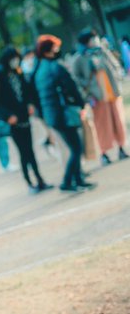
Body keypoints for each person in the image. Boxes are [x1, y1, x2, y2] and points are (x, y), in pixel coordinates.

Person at [34, 34, 97, 193]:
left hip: (52, 116)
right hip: (64, 114)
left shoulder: (40, 70)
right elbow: (71, 87)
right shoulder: (56, 67)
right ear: (49, 50)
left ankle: (78, 180)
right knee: (77, 148)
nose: (57, 49)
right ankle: (67, 182)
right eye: (54, 47)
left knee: (74, 148)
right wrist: (82, 104)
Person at [0, 46, 53, 194]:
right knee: (24, 152)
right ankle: (29, 182)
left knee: (30, 150)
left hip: (24, 117)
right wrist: (7, 116)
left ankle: (40, 179)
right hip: (13, 122)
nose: (16, 61)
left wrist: (30, 104)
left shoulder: (18, 72)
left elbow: (27, 91)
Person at [72, 29, 128, 166]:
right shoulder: (80, 58)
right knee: (102, 126)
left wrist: (118, 78)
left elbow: (115, 66)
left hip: (112, 93)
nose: (95, 40)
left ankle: (121, 147)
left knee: (118, 122)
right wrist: (88, 91)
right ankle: (104, 153)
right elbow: (76, 78)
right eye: (92, 39)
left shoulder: (103, 51)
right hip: (97, 97)